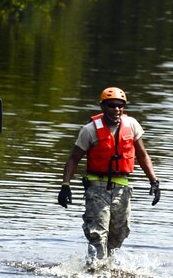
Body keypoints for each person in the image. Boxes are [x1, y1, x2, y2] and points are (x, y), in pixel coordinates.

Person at [58, 86, 160, 262]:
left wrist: (154, 181)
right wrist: (65, 186)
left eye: (121, 105)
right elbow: (73, 158)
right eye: (112, 105)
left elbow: (142, 154)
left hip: (122, 190)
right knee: (97, 234)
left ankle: (107, 267)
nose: (117, 109)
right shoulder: (90, 130)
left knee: (119, 233)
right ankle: (95, 272)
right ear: (102, 106)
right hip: (97, 188)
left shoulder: (132, 125)